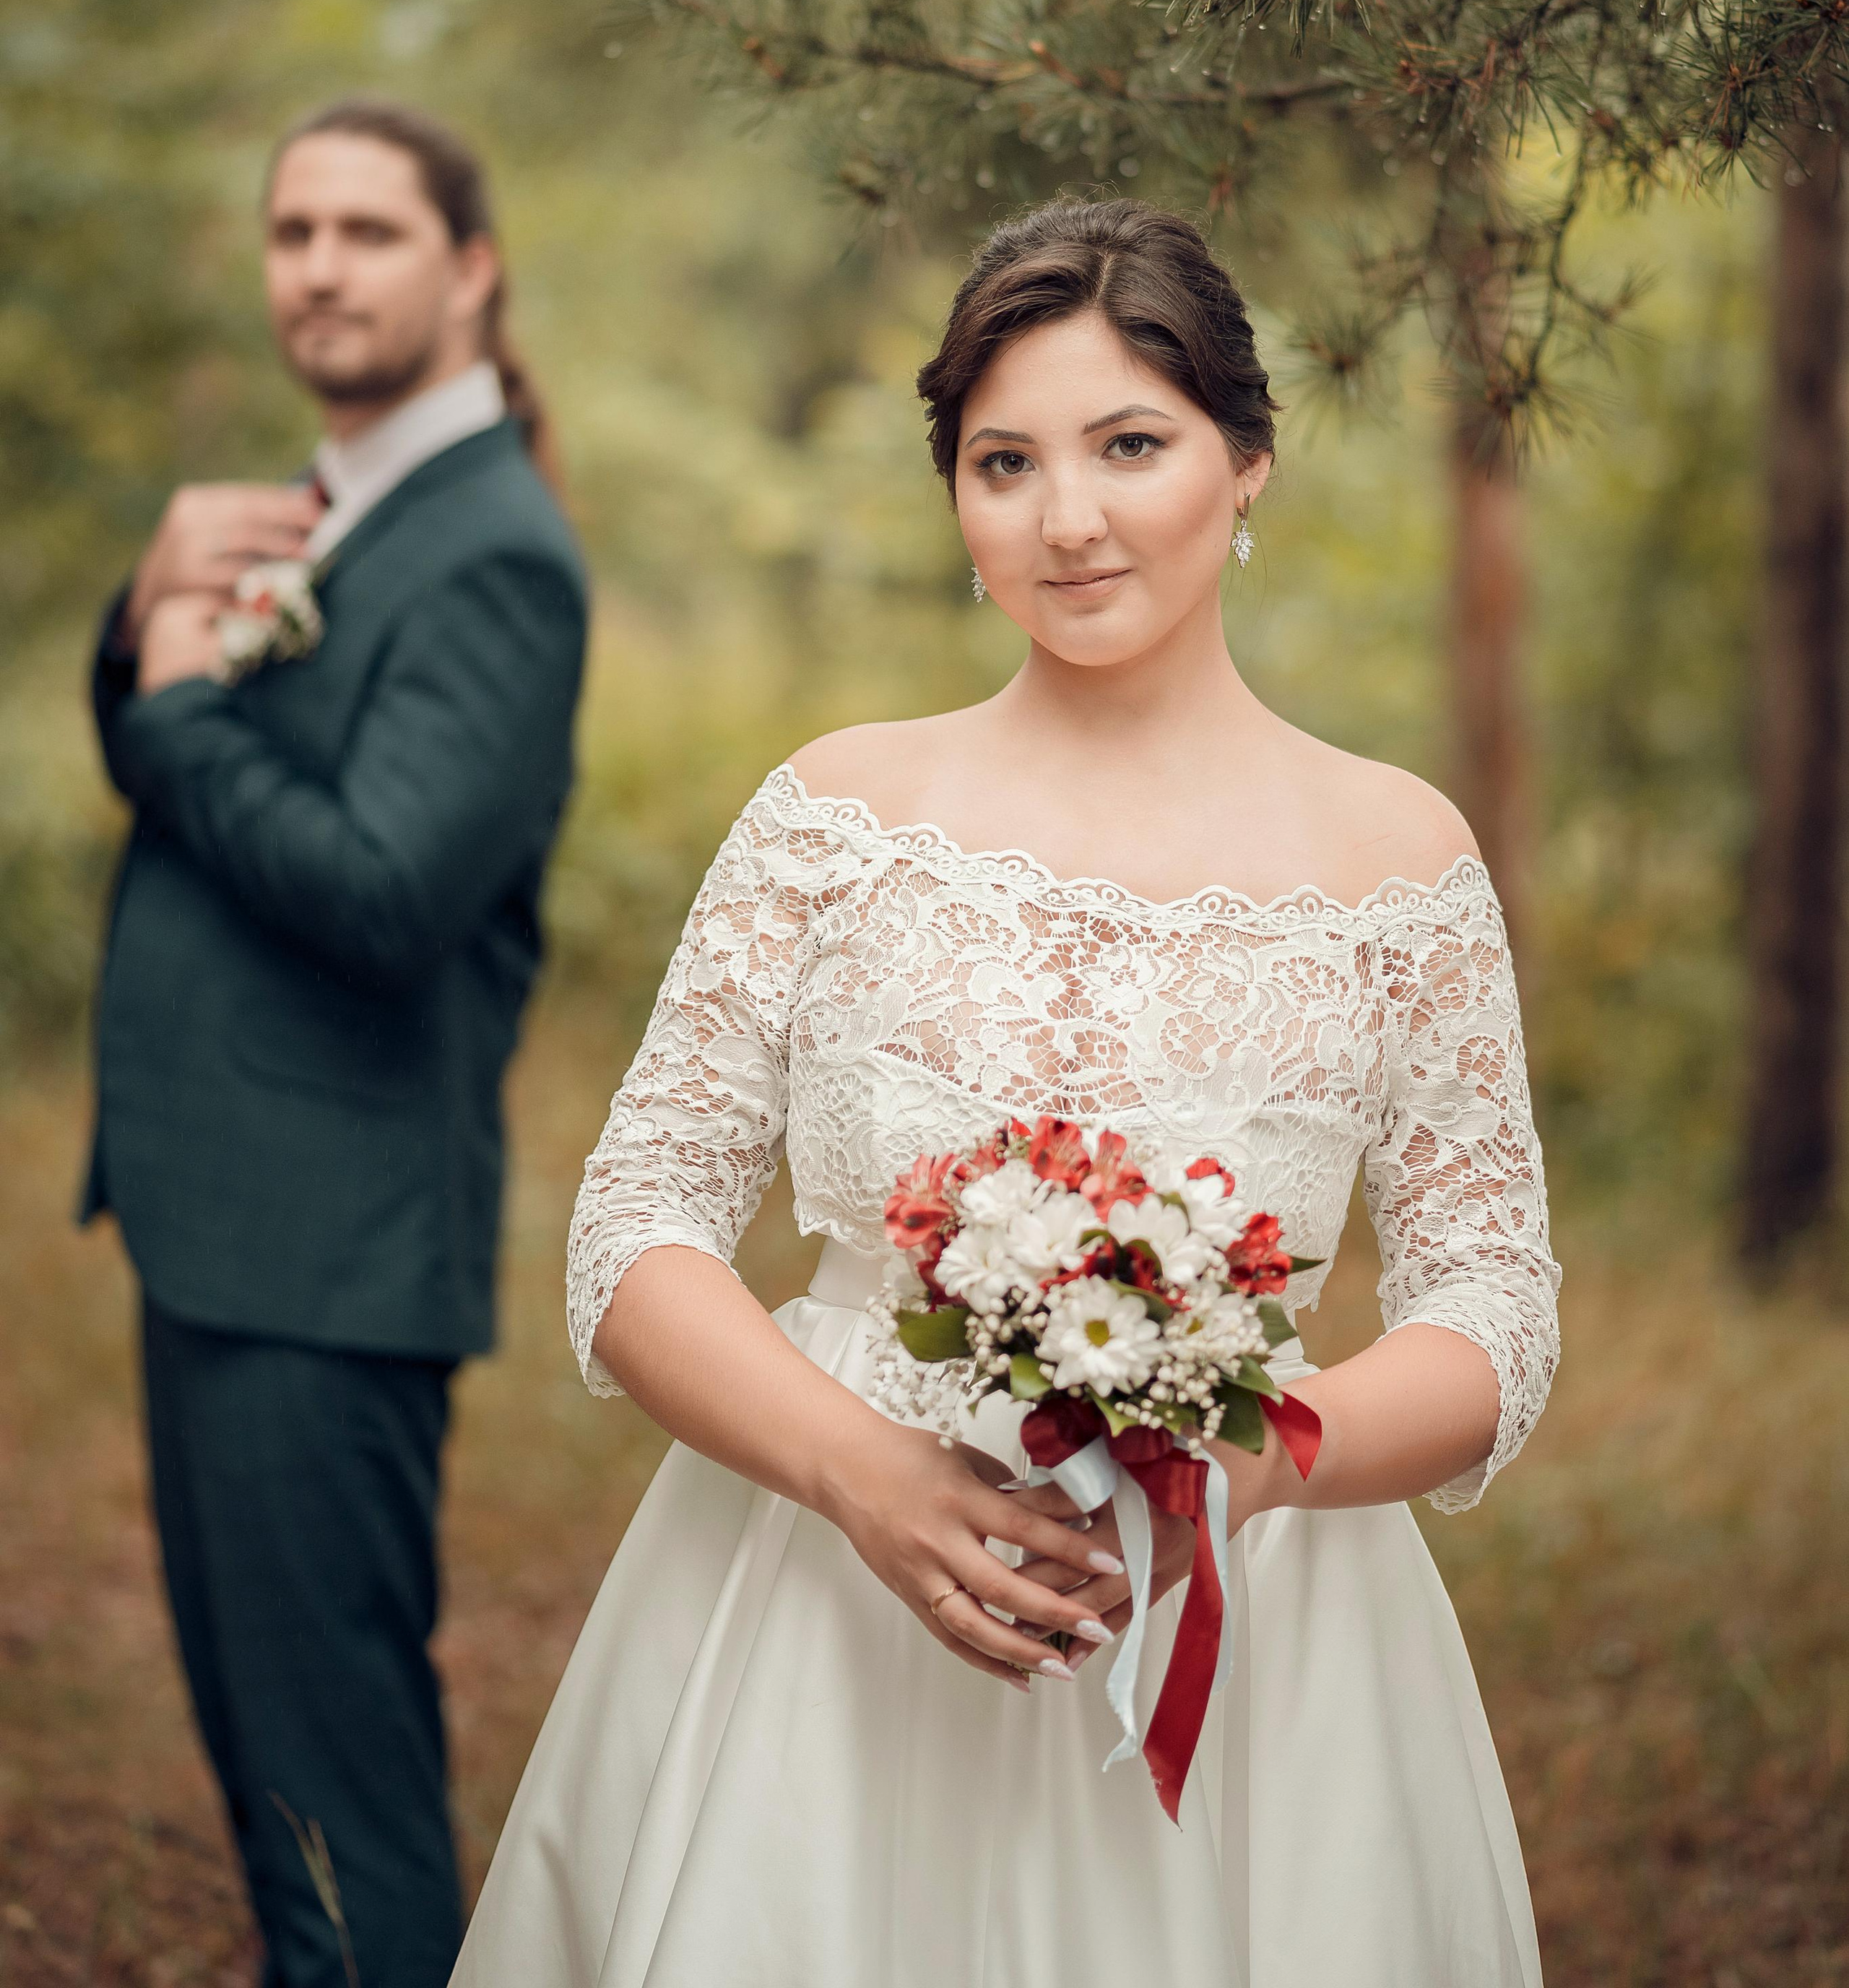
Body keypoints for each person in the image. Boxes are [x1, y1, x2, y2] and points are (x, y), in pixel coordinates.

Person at [453, 196, 1558, 1988]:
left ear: (1246, 460)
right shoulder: (835, 815)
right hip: (819, 1609)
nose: (1067, 520)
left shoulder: (1395, 856)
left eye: (1129, 445)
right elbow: (634, 1222)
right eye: (1003, 462)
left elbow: (1490, 1300)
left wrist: (1259, 1472)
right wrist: (863, 1474)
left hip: (1247, 1633)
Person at [86, 99, 589, 1988]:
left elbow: (387, 893)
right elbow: (196, 751)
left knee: (337, 1793)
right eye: (292, 229)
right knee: (264, 1767)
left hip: (330, 1248)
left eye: (368, 231)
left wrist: (179, 708)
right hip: (225, 1222)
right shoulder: (334, 508)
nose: (317, 266)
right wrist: (143, 621)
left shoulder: (495, 551)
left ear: (472, 270)